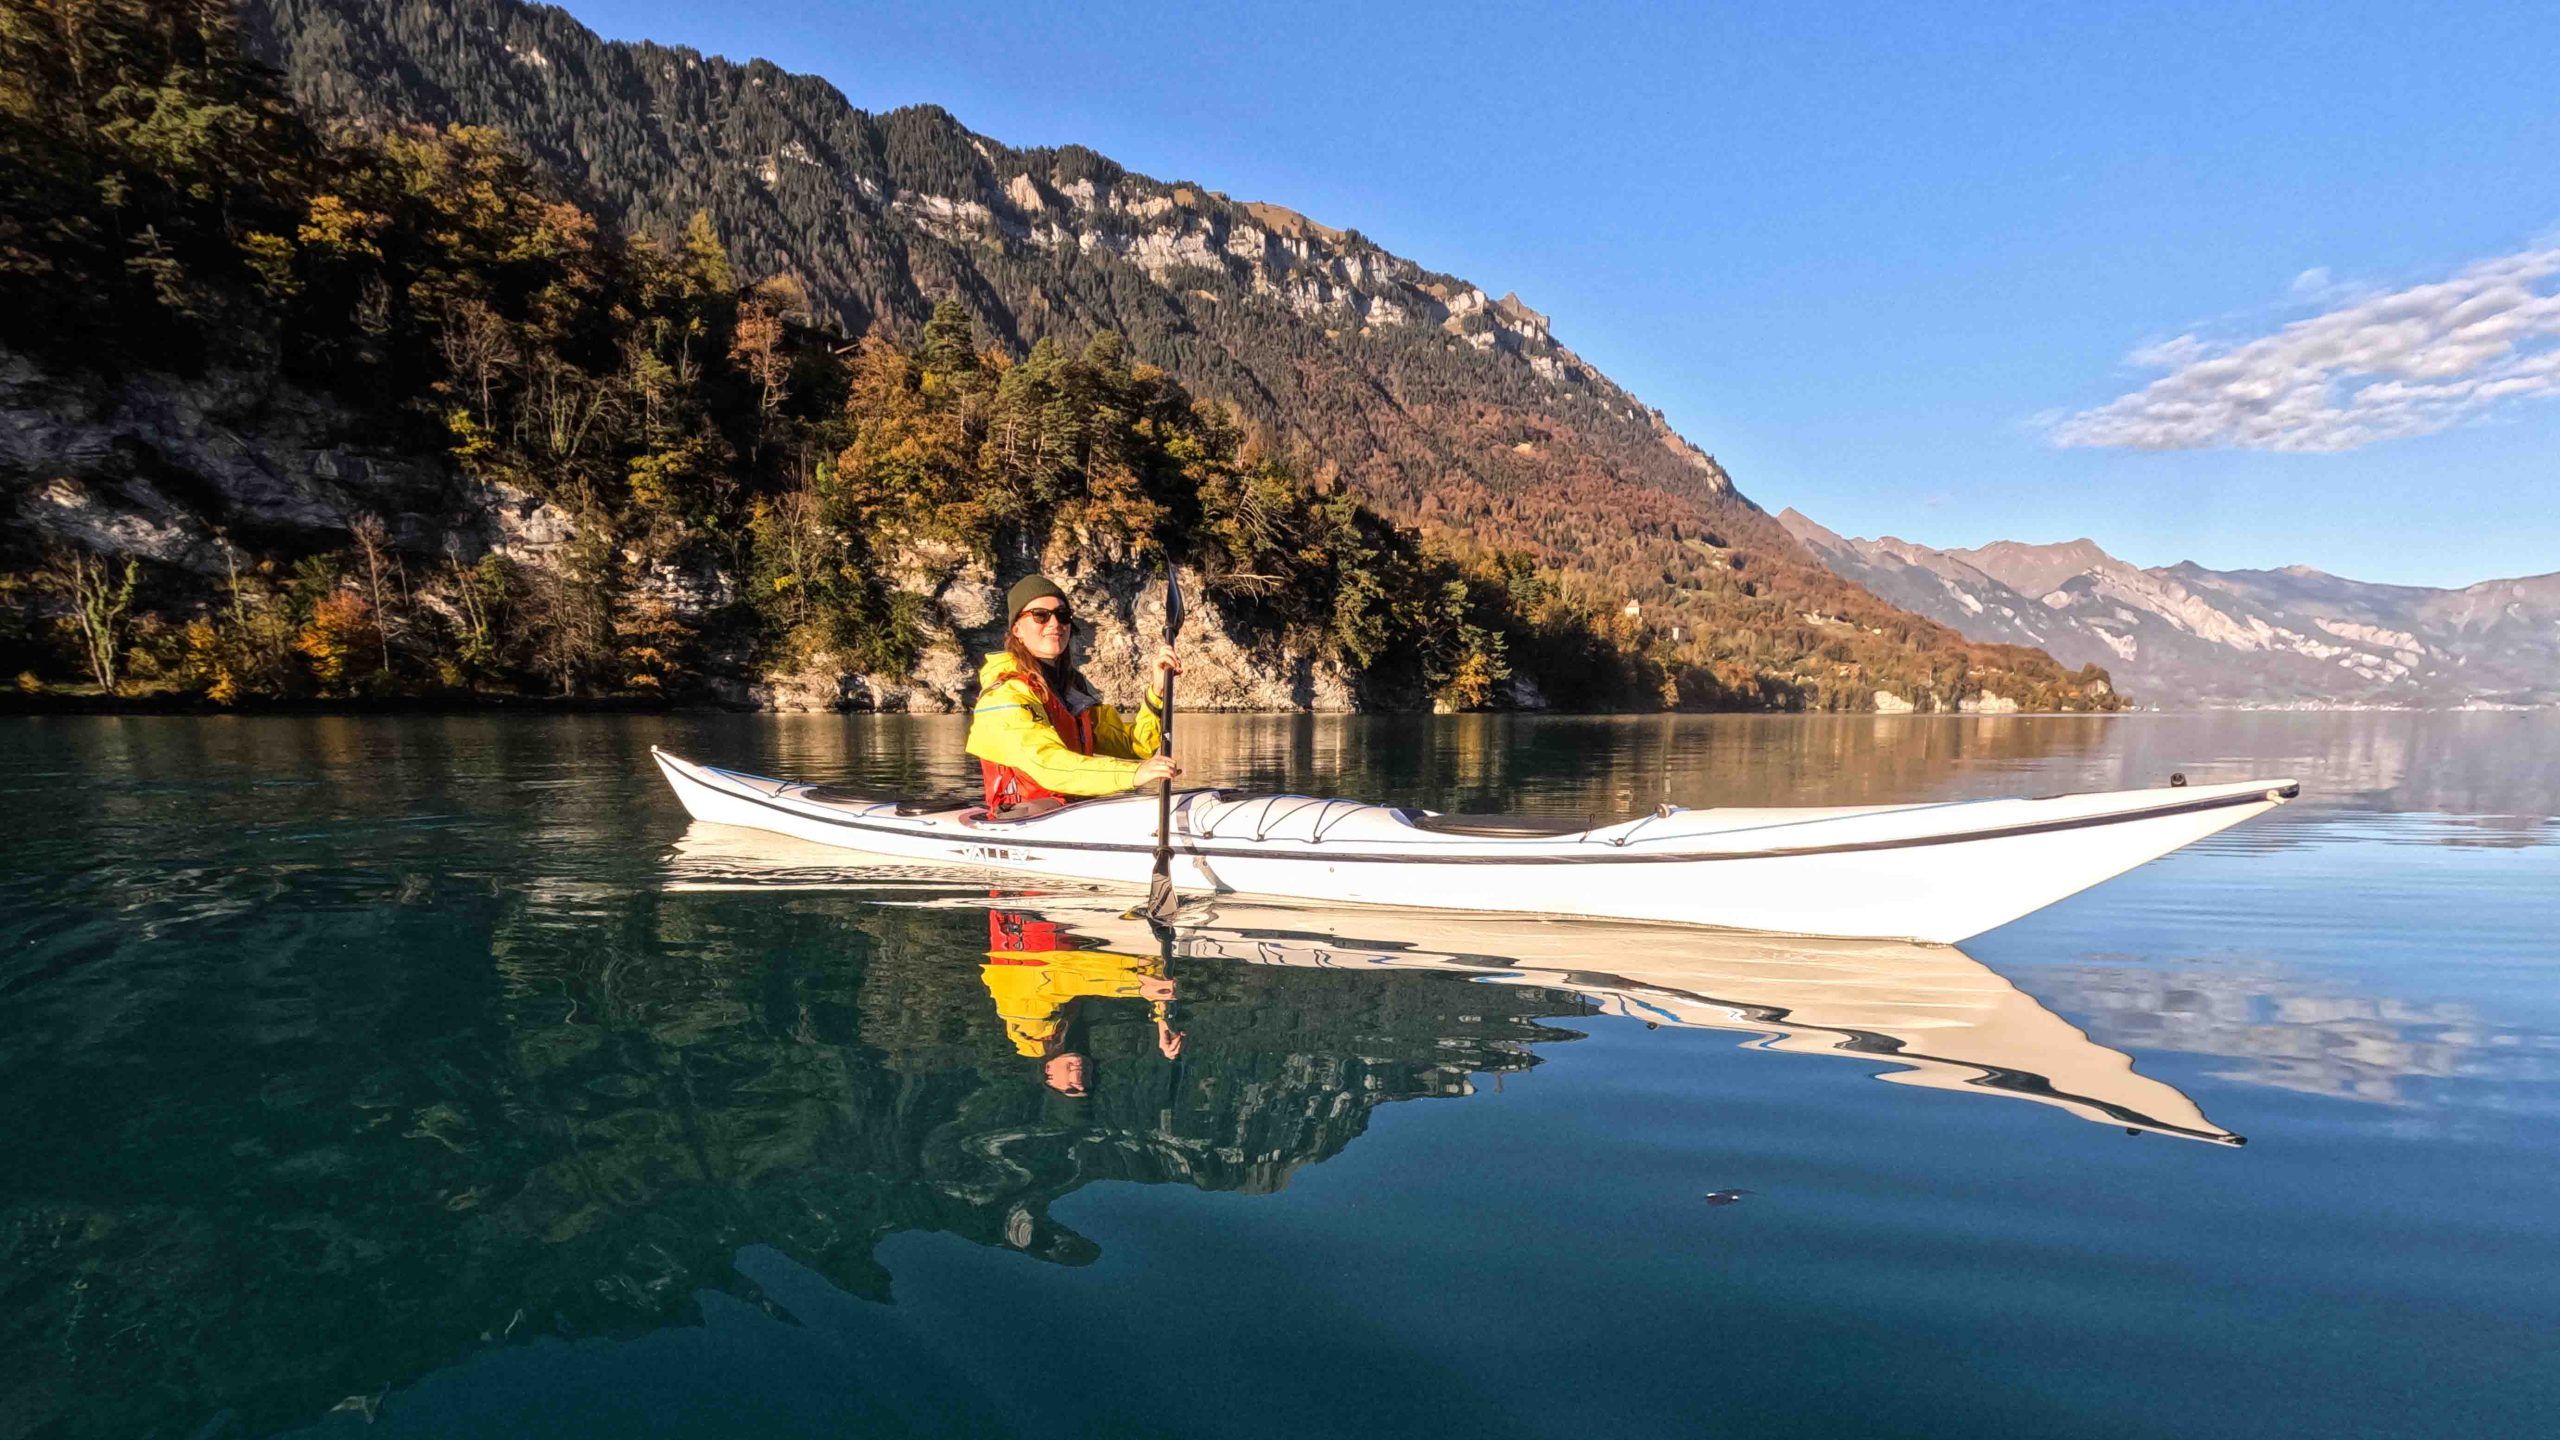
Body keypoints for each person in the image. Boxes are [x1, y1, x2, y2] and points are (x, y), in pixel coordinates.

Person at [967, 574, 1181, 816]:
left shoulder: (1070, 690)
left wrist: (1157, 691)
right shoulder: (1003, 695)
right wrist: (1135, 774)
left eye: (1063, 615)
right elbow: (1047, 764)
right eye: (1040, 615)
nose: (1055, 624)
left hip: (1072, 812)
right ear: (1017, 629)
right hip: (1023, 819)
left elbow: (1135, 745)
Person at [981, 908, 1185, 1097]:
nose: (1080, 1082)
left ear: (1048, 1071)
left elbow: (1064, 977)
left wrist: (1137, 983)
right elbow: (1150, 974)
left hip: (1026, 917)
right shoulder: (1069, 1029)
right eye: (1088, 1084)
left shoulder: (1025, 1027)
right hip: (1050, 922)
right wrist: (1163, 1019)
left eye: (1071, 1089)